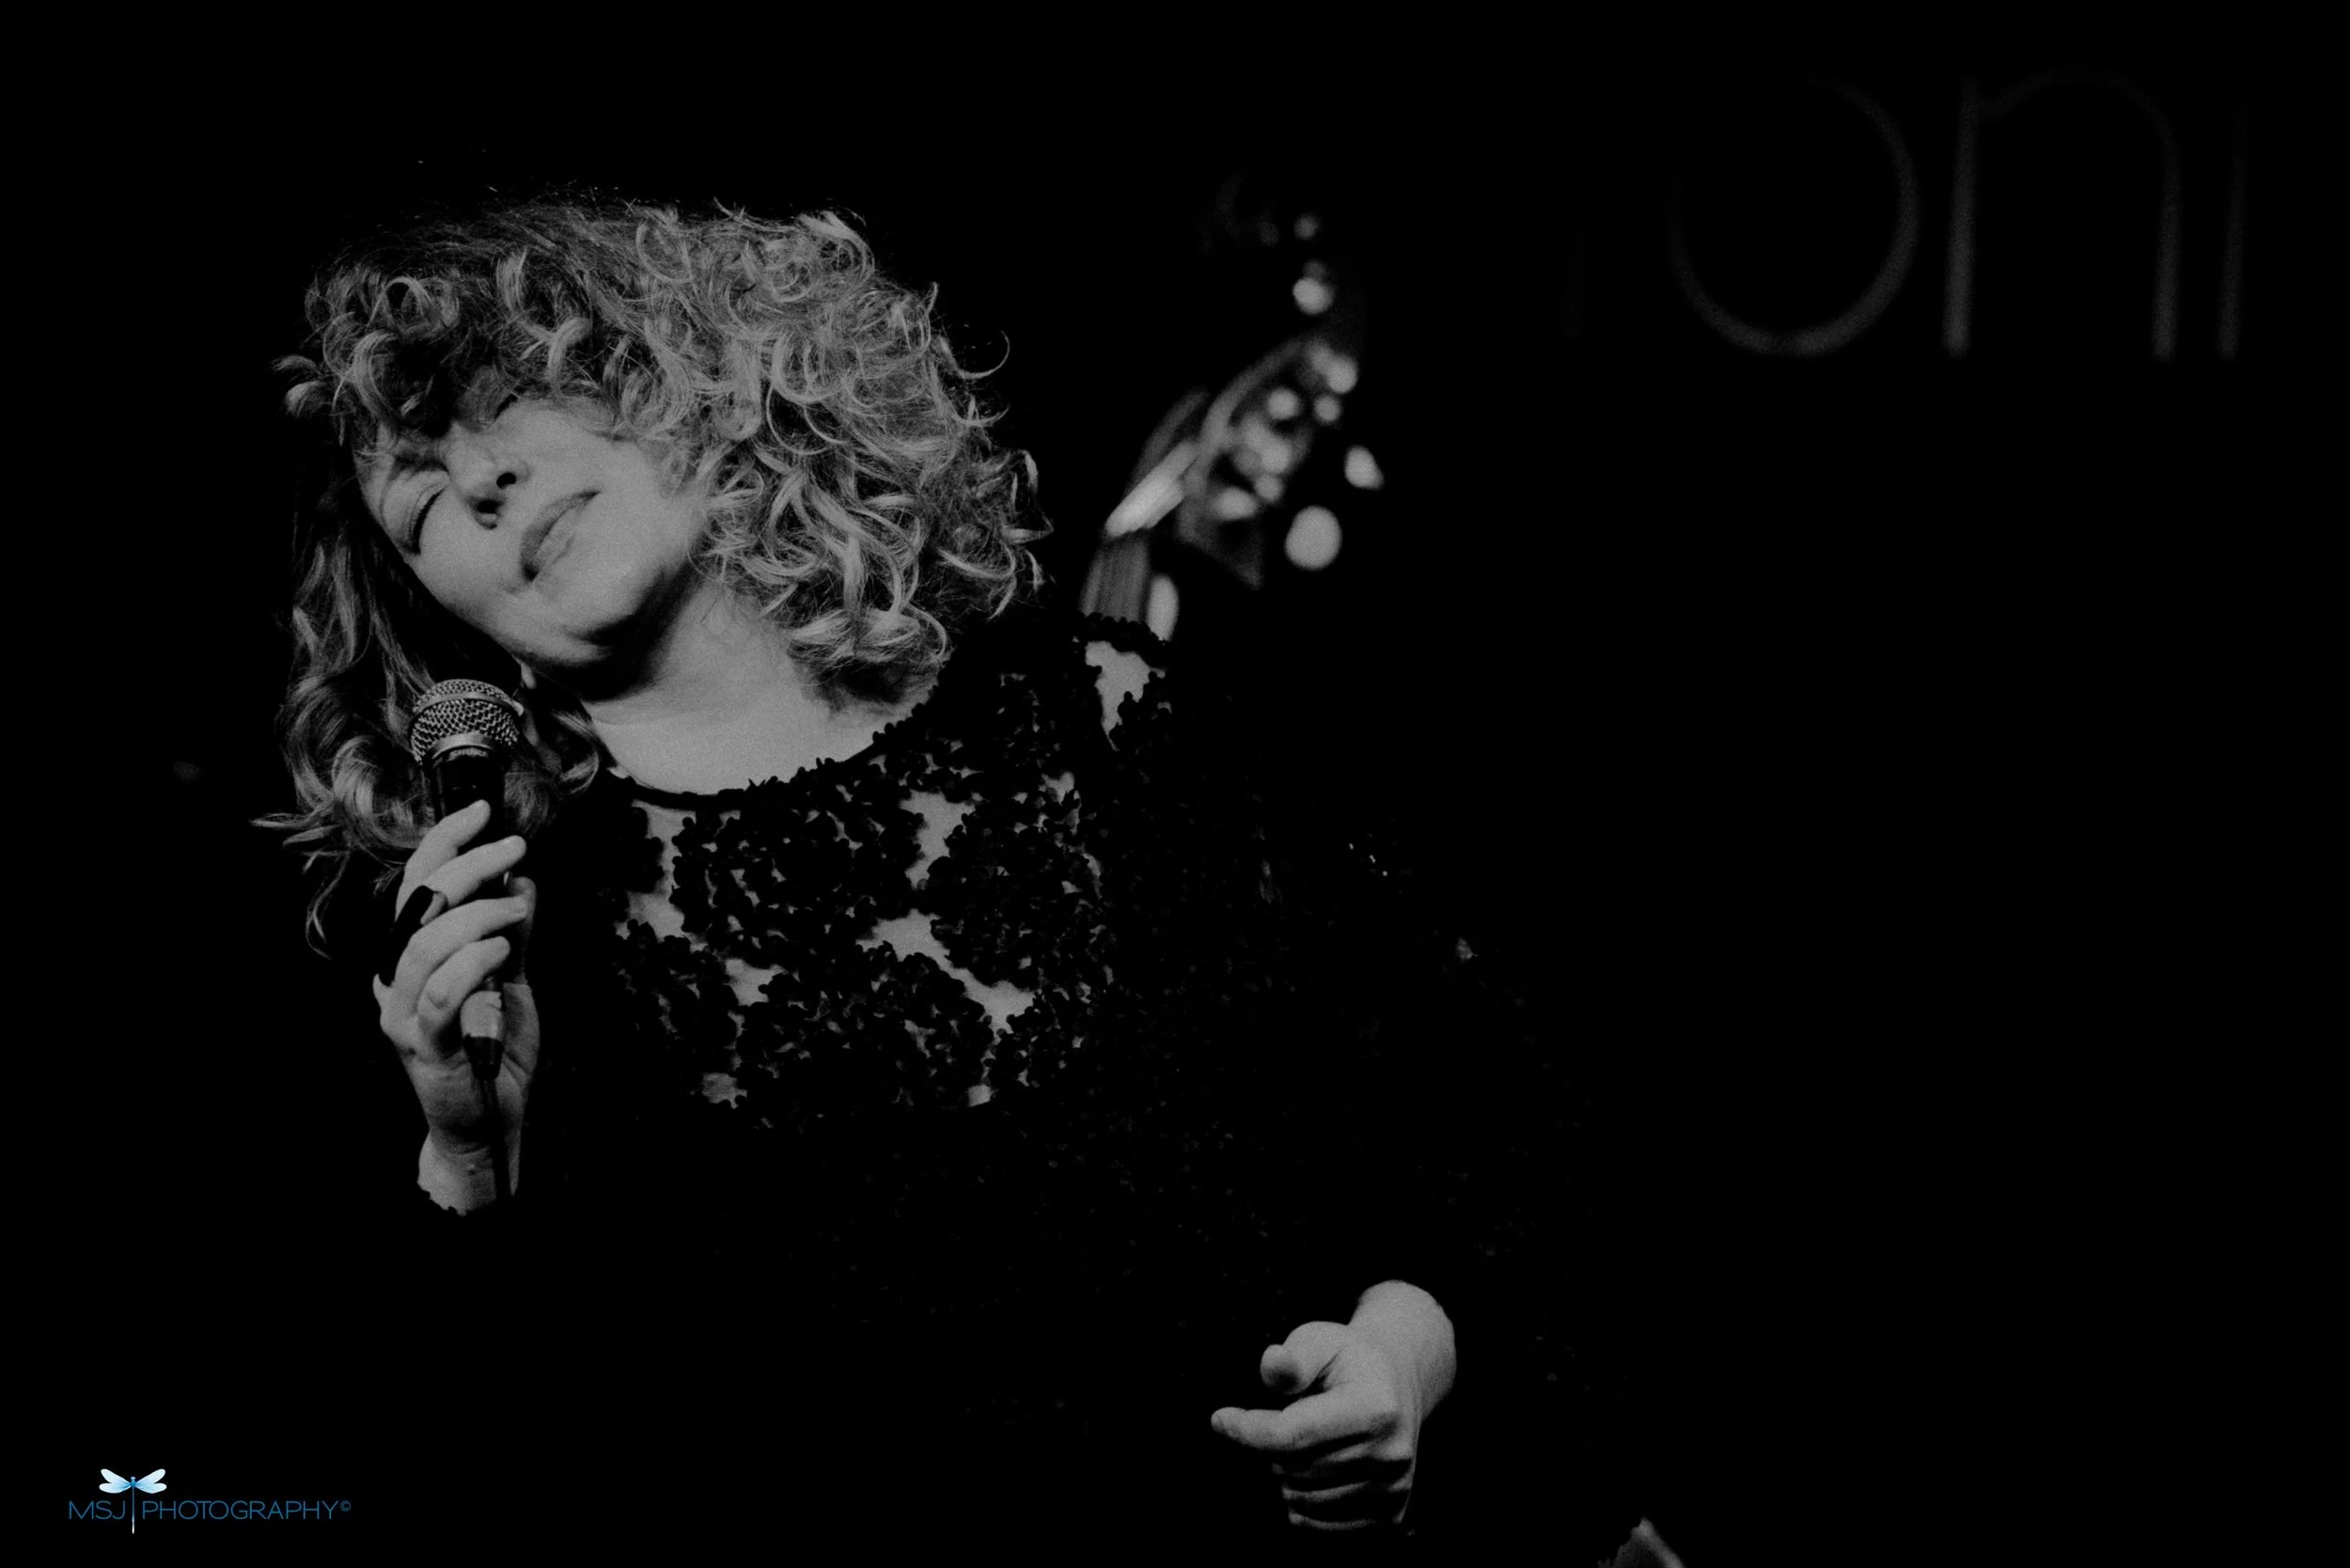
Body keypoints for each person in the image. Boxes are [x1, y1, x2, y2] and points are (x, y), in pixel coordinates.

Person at [265, 197, 1629, 1550]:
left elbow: (1486, 1148)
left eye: (507, 397)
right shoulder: (479, 960)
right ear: (441, 620)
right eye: (423, 502)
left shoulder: (1113, 723)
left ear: (681, 370)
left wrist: (1399, 1361)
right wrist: (469, 1164)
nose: (482, 481)